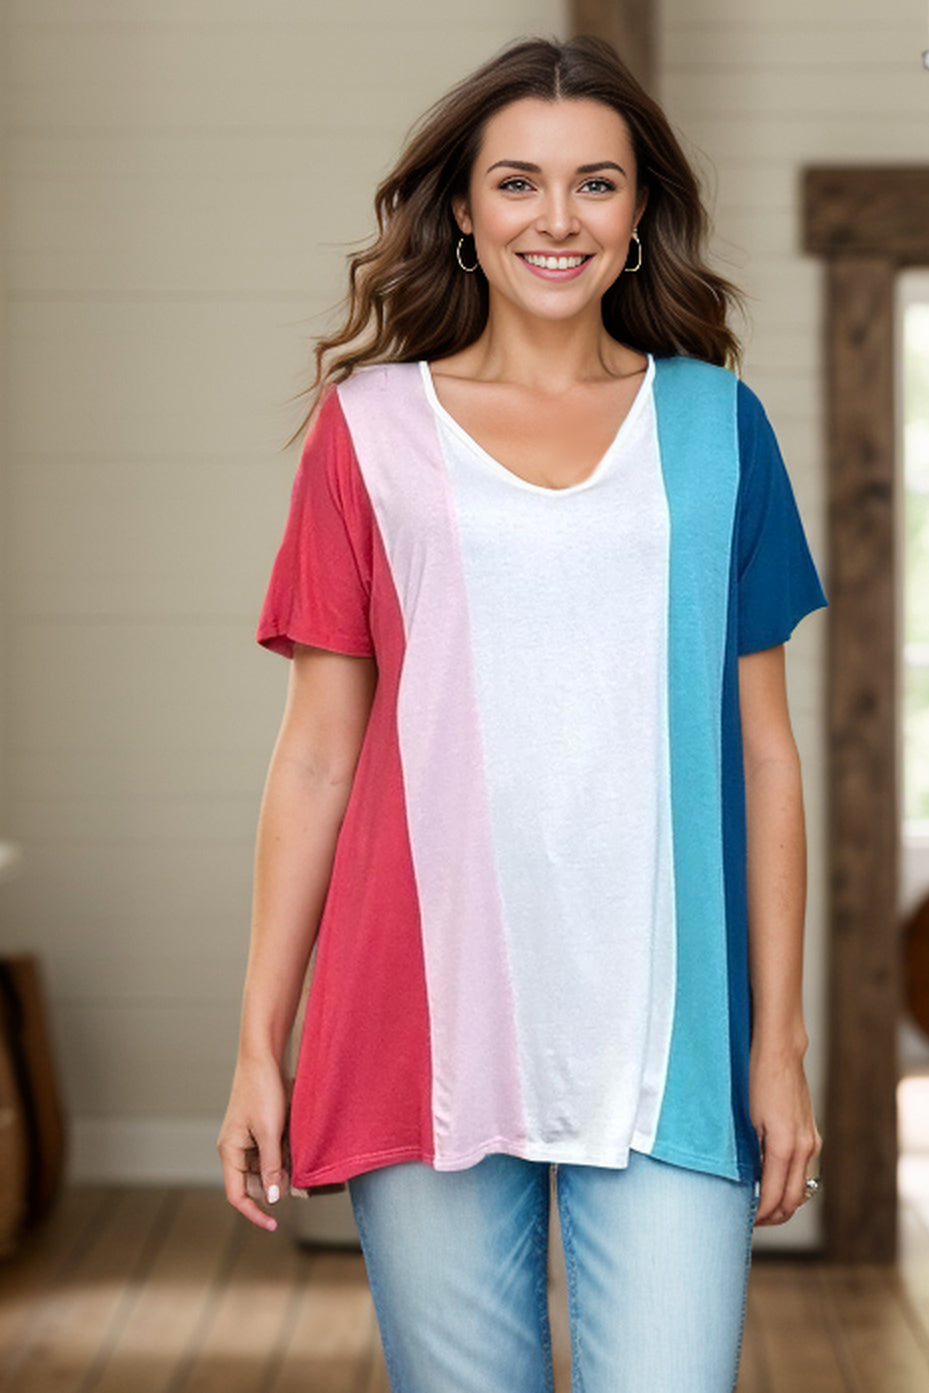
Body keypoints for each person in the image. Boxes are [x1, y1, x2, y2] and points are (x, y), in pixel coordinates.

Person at [217, 33, 827, 1393]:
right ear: (461, 209)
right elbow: (316, 759)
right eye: (517, 182)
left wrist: (778, 1043)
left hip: (673, 1039)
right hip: (416, 1022)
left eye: (596, 183)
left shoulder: (717, 427)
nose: (557, 219)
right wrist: (259, 1044)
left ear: (638, 213)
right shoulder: (368, 430)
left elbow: (766, 756)